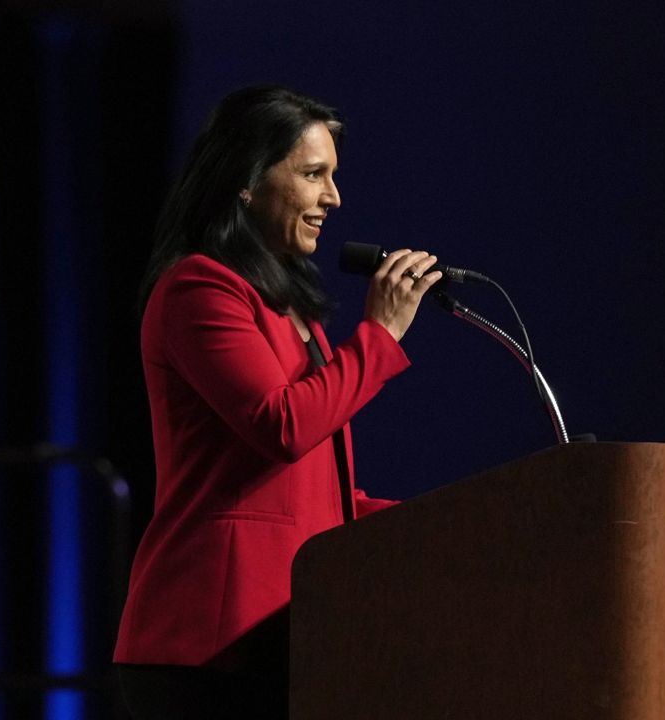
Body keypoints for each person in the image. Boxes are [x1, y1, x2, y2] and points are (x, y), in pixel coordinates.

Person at [113, 86, 443, 719]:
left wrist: (445, 522)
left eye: (334, 177)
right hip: (209, 640)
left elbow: (310, 493)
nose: (334, 199)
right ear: (246, 180)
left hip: (288, 632)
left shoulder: (287, 305)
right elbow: (282, 426)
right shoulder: (198, 288)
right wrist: (379, 336)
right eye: (313, 174)